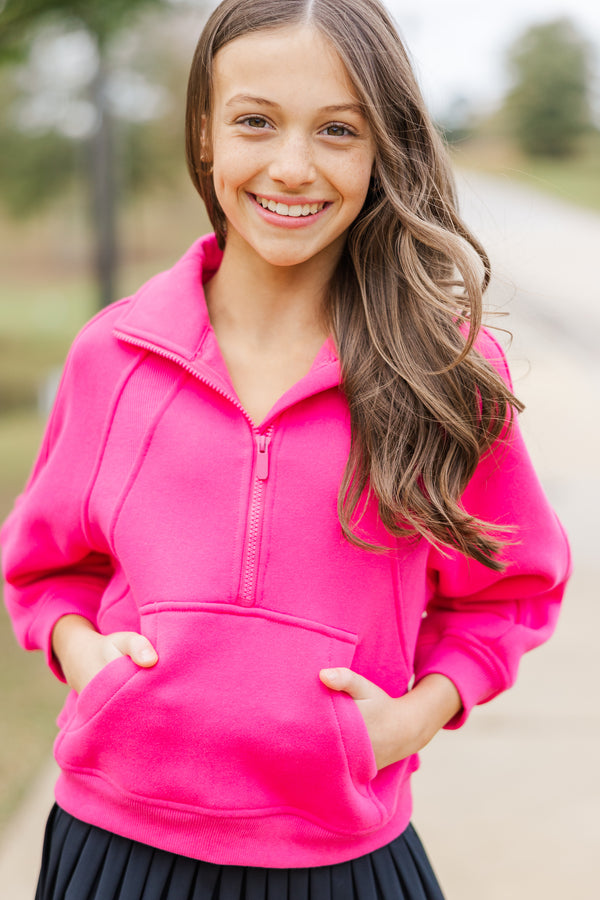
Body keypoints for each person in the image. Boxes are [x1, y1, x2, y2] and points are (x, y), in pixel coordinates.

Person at [1, 1, 571, 898]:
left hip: (342, 864)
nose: (292, 167)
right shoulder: (110, 357)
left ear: (385, 148)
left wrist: (410, 721)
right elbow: (45, 571)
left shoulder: (445, 374)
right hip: (111, 853)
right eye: (256, 121)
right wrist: (84, 658)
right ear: (205, 134)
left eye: (338, 129)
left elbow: (509, 593)